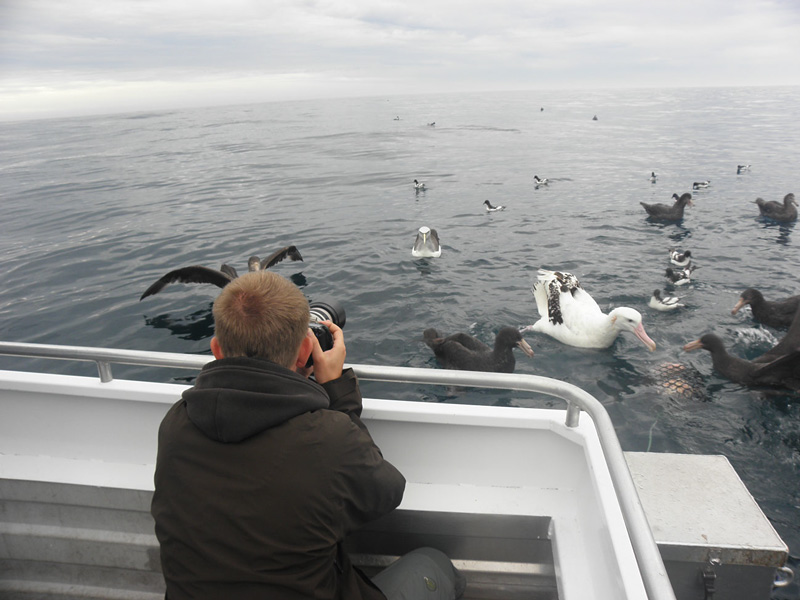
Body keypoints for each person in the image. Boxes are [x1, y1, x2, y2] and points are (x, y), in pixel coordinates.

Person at [151, 271, 464, 599]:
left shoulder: (175, 425)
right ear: (305, 351)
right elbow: (388, 492)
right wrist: (337, 390)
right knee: (434, 564)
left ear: (216, 349)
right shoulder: (328, 440)